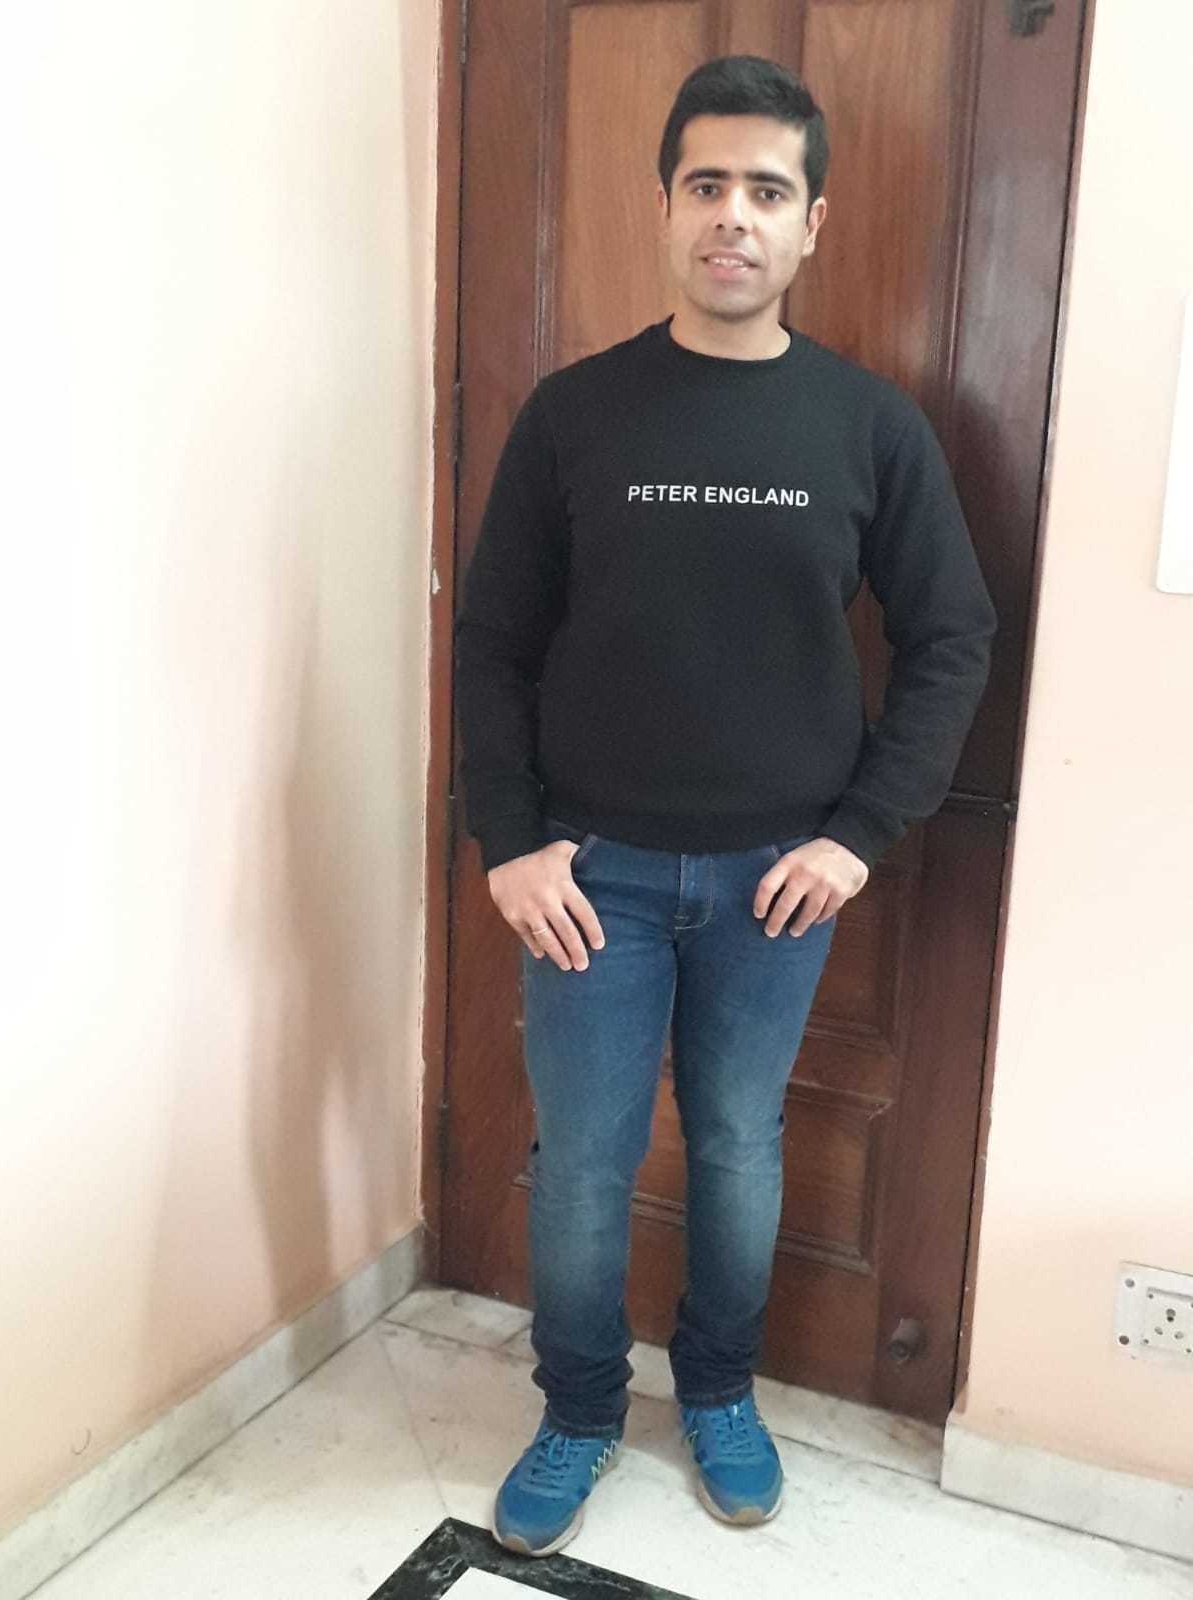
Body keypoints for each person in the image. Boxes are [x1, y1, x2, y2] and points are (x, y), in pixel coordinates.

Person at [453, 55, 997, 1557]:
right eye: (708, 185)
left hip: (776, 881)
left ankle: (717, 1391)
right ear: (666, 206)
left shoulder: (869, 425)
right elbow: (493, 641)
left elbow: (953, 637)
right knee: (581, 1167)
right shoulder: (575, 415)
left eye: (768, 190)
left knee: (742, 1150)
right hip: (589, 879)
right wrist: (510, 839)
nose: (734, 217)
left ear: (812, 223)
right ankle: (577, 1410)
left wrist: (860, 834)